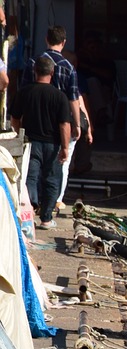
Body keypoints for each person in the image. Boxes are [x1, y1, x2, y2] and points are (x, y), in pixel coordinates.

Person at [22, 26, 90, 212]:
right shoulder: (68, 67)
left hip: (35, 119)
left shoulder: (33, 62)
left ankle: (32, 203)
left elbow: (23, 92)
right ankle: (52, 206)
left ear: (46, 39)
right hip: (61, 121)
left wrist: (19, 122)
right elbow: (74, 99)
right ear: (64, 42)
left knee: (33, 166)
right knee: (60, 165)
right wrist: (77, 125)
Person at [12, 55, 71, 229]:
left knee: (30, 178)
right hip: (52, 144)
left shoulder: (24, 92)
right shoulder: (59, 96)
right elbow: (64, 124)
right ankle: (46, 219)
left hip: (30, 142)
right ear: (52, 72)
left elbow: (15, 118)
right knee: (52, 180)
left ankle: (29, 211)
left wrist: (18, 137)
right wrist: (65, 147)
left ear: (35, 71)